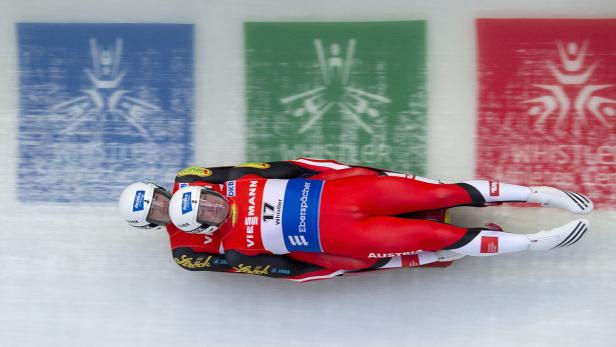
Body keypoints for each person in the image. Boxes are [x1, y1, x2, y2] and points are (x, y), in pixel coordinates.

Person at [168, 159, 592, 271]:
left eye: (206, 198)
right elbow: (296, 268)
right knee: (438, 237)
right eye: (206, 212)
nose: (213, 206)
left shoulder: (238, 182)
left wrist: (350, 173)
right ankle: (535, 244)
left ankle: (539, 194)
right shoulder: (236, 246)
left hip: (354, 193)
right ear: (204, 226)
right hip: (352, 235)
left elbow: (298, 165)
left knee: (444, 191)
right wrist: (341, 265)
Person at [119, 158, 456, 282]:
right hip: (274, 240)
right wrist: (285, 266)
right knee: (335, 260)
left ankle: (426, 194)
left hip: (277, 199)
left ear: (161, 190)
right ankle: (420, 253)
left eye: (158, 199)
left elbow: (240, 173)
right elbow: (237, 264)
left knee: (344, 179)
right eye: (154, 212)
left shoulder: (190, 177)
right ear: (151, 224)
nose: (161, 207)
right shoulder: (185, 254)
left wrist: (293, 173)